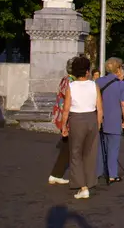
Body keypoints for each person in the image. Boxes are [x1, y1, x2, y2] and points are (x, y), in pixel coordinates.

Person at [60, 56, 103, 199]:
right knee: (90, 153)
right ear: (87, 71)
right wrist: (98, 124)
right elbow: (100, 108)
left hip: (76, 119)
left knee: (76, 153)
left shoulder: (71, 87)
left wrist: (64, 126)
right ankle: (89, 181)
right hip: (91, 118)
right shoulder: (94, 85)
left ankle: (82, 186)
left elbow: (66, 109)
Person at [95, 58, 124, 183]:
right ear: (118, 69)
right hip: (114, 119)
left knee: (100, 147)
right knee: (113, 148)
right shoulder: (123, 85)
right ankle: (112, 174)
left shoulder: (98, 81)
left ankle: (98, 171)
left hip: (100, 118)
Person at [48, 56, 77, 186]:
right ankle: (58, 174)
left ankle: (56, 174)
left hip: (63, 117)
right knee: (70, 147)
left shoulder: (66, 79)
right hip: (68, 118)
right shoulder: (70, 81)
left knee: (67, 148)